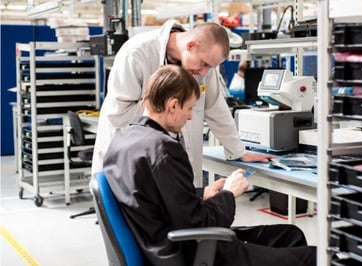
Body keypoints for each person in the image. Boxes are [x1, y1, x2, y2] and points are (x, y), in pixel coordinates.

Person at [103, 65, 316, 266]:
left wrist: (203, 193)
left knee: (290, 234)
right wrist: (229, 194)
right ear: (173, 105)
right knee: (313, 257)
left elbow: (157, 197)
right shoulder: (164, 149)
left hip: (158, 244)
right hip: (186, 253)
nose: (189, 116)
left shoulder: (124, 139)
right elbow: (199, 224)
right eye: (189, 109)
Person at [92, 20, 271, 187]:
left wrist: (238, 151)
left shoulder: (202, 65)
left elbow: (216, 108)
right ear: (191, 45)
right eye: (204, 64)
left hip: (174, 166)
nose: (203, 73)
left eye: (209, 68)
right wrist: (165, 106)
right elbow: (118, 115)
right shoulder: (136, 54)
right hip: (130, 164)